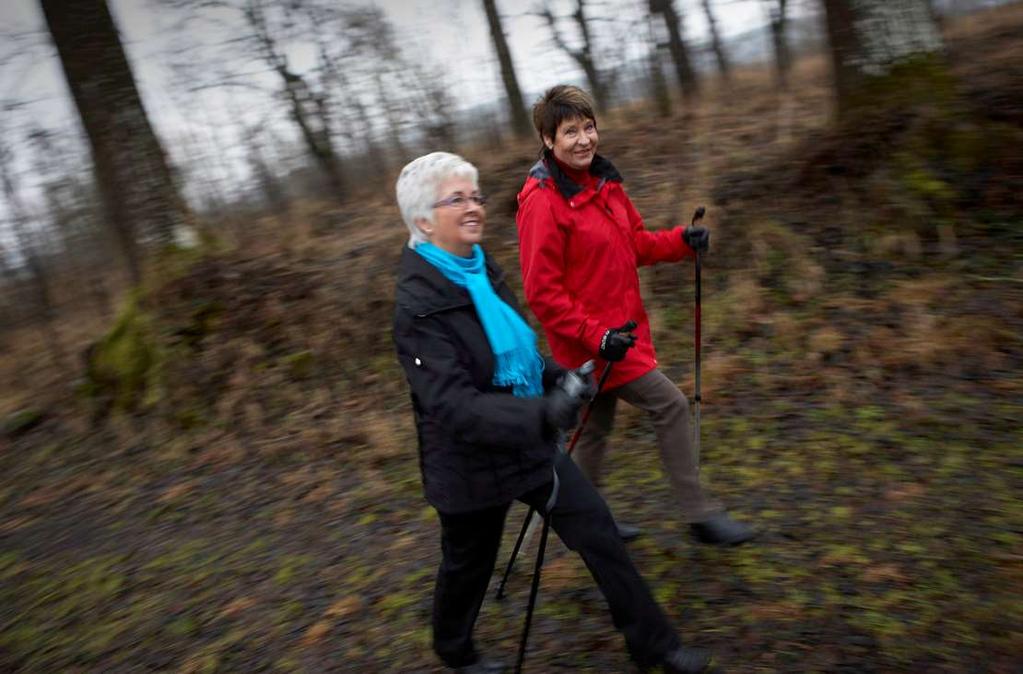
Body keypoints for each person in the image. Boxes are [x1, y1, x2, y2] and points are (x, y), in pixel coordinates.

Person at [392, 152, 711, 673]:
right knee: (468, 566)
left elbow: (513, 353)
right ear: (424, 220)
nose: (474, 207)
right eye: (457, 199)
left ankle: (655, 646)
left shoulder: (478, 266)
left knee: (599, 533)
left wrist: (557, 377)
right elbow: (453, 406)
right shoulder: (417, 306)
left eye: (475, 196)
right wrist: (545, 412)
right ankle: (455, 650)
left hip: (528, 444)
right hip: (469, 465)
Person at [516, 84, 754, 545]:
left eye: (589, 127)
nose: (584, 139)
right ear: (548, 140)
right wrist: (597, 336)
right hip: (594, 342)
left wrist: (683, 241)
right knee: (670, 404)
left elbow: (637, 243)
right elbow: (541, 292)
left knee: (593, 431)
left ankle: (583, 521)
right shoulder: (542, 203)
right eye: (570, 132)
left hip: (620, 334)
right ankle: (699, 514)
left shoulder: (605, 184)